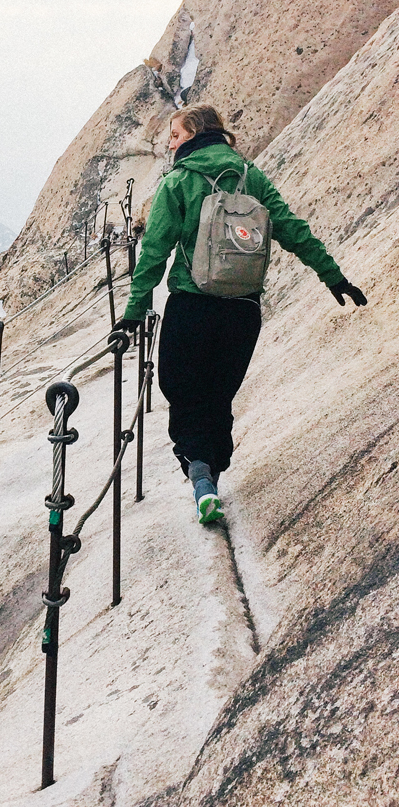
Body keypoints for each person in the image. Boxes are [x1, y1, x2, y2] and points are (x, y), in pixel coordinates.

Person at [115, 104, 367, 525]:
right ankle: (210, 472)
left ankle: (200, 476)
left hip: (192, 305)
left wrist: (133, 311)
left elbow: (154, 252)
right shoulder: (251, 176)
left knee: (182, 388)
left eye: (175, 135)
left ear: (195, 132)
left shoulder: (178, 181)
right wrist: (333, 276)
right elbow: (290, 228)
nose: (170, 143)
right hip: (243, 311)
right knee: (218, 393)